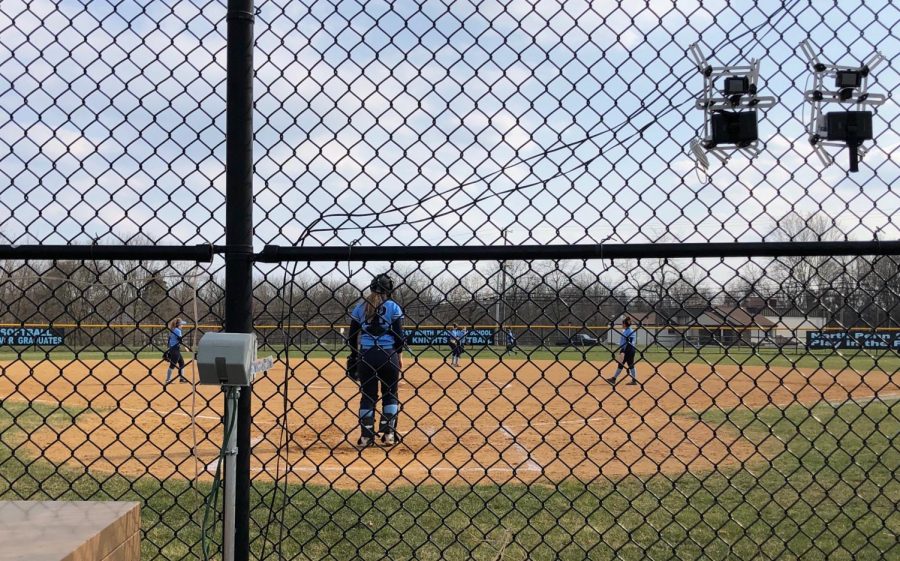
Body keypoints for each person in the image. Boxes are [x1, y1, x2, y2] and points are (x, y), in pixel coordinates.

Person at [347, 273, 405, 448]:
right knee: (390, 393)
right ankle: (388, 435)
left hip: (367, 355)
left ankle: (366, 437)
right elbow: (399, 337)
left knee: (368, 396)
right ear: (389, 289)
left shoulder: (360, 307)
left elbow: (351, 337)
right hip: (388, 355)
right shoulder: (394, 307)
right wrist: (399, 356)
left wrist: (355, 355)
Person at [607, 316, 638, 386]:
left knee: (629, 364)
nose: (622, 325)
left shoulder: (630, 331)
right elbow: (624, 341)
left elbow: (629, 342)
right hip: (626, 349)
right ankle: (614, 379)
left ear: (625, 324)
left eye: (622, 324)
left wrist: (624, 351)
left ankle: (615, 379)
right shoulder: (626, 330)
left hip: (629, 349)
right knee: (623, 364)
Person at [165, 318, 188, 384]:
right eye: (182, 324)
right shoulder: (178, 330)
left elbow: (169, 340)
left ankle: (181, 378)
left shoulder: (173, 330)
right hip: (175, 349)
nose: (182, 325)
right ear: (178, 325)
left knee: (181, 362)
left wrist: (168, 349)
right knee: (173, 364)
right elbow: (180, 340)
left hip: (173, 349)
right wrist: (185, 347)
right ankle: (168, 380)